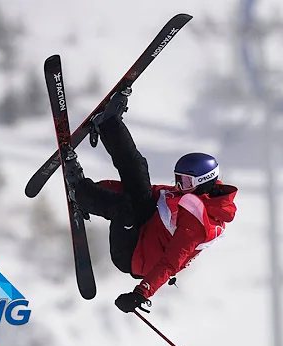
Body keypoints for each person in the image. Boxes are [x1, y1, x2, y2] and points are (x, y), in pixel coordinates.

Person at [62, 87, 238, 313]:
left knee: (124, 210)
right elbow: (139, 191)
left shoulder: (198, 223)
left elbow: (170, 263)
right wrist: (97, 189)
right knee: (138, 169)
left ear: (203, 181)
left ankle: (77, 192)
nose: (178, 187)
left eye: (184, 181)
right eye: (178, 180)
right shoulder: (189, 194)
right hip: (146, 226)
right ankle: (109, 124)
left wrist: (140, 294)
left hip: (133, 255)